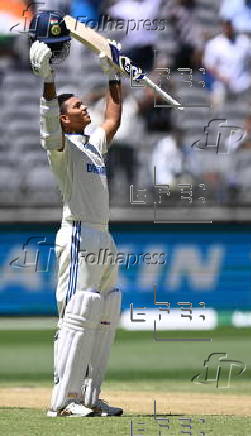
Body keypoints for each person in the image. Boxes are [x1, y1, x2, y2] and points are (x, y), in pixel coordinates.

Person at [29, 35, 123, 417]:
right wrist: (48, 80)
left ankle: (88, 396)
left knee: (105, 309)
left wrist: (113, 73)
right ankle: (62, 402)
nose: (86, 108)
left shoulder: (92, 144)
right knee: (78, 311)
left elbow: (114, 118)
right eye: (78, 106)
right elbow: (49, 122)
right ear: (64, 116)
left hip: (103, 233)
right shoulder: (61, 149)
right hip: (80, 234)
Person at [203, 19, 251, 108]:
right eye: (226, 25)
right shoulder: (215, 43)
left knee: (243, 111)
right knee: (219, 110)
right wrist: (221, 76)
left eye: (230, 25)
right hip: (222, 85)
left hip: (244, 85)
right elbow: (209, 65)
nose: (228, 27)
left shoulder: (246, 42)